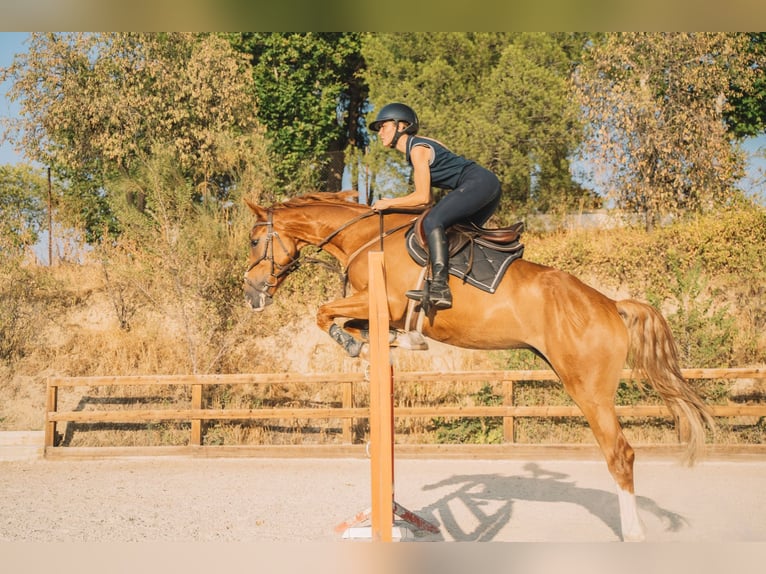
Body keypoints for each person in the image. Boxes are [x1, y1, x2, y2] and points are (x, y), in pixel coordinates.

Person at [369, 102, 502, 310]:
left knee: (433, 220)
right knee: (455, 235)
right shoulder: (418, 147)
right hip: (486, 185)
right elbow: (427, 200)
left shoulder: (417, 150)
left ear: (401, 126)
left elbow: (422, 198)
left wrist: (389, 203)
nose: (380, 133)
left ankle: (440, 287)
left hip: (479, 182)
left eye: (383, 126)